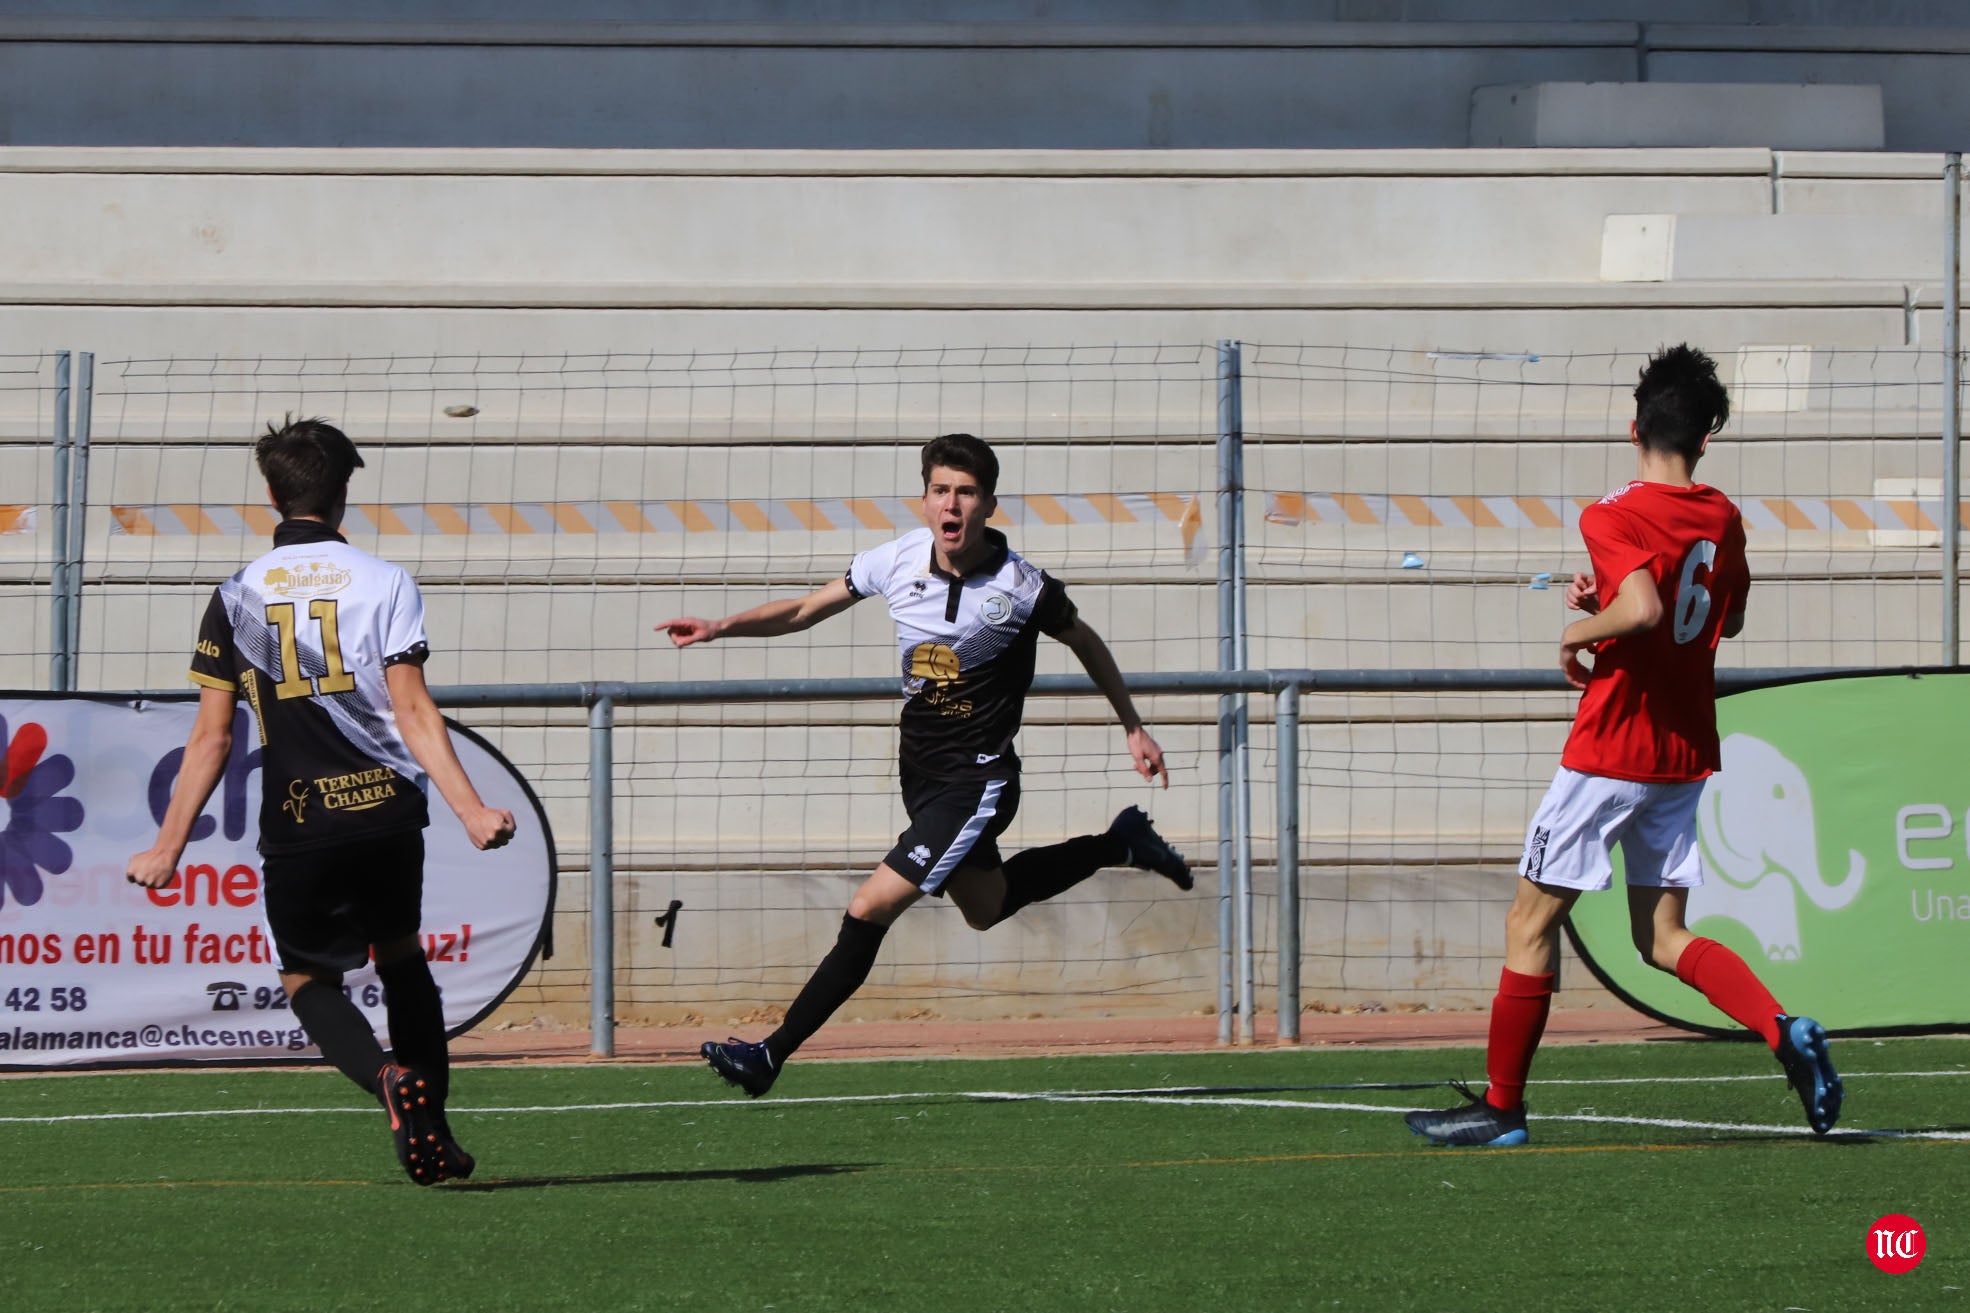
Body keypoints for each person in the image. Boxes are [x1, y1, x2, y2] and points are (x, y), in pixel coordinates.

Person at [659, 432, 1192, 1097]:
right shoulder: (897, 559)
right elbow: (802, 608)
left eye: (966, 492)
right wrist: (720, 626)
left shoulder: (1022, 588)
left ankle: (772, 1052)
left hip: (978, 781)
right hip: (924, 777)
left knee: (868, 906)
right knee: (986, 906)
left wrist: (1132, 725)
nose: (952, 504)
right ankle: (1121, 840)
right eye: (941, 489)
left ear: (989, 504)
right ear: (923, 500)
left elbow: (1086, 641)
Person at [1404, 345, 1842, 1147]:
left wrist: (1578, 628)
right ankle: (1782, 1029)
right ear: (1707, 437)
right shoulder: (1722, 514)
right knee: (1662, 938)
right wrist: (1609, 595)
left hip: (1610, 748)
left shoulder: (1613, 512)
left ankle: (1503, 1109)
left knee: (1528, 924)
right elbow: (1725, 617)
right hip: (1682, 753)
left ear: (1632, 423)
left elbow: (1640, 609)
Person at [127, 417, 517, 1184]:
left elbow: (211, 739)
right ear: (344, 496)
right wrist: (471, 808)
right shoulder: (386, 580)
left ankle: (386, 1081)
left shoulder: (236, 595)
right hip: (387, 811)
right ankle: (429, 1124)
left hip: (301, 820)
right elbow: (414, 709)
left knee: (308, 979)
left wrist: (168, 845)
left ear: (271, 494)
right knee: (402, 955)